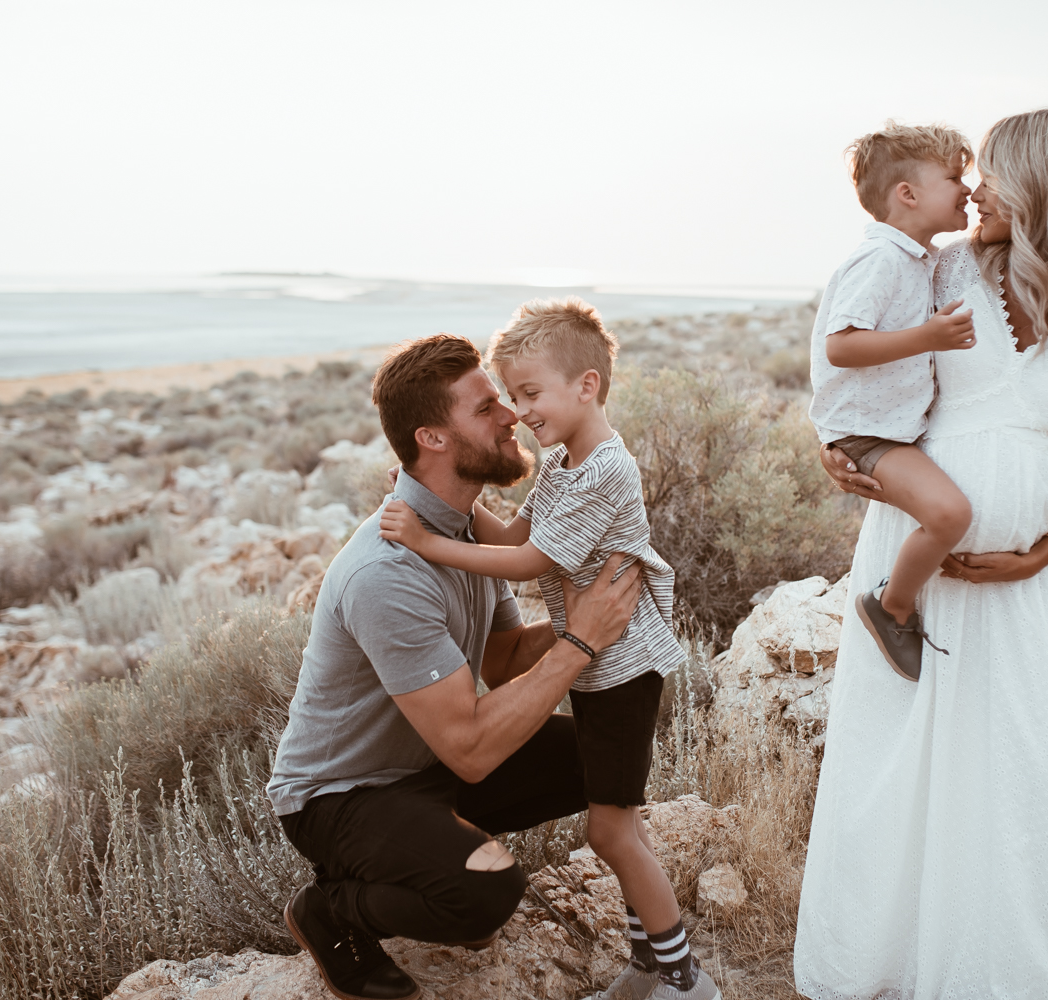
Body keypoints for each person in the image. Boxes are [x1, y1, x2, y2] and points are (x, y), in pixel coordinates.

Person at [794, 108, 1048, 999]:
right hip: (911, 557)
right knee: (891, 768)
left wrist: (1037, 555)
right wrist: (843, 443)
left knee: (1013, 778)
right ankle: (873, 968)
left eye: (995, 173)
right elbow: (863, 364)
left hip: (1021, 588)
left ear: (1047, 185)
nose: (976, 189)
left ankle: (994, 975)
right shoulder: (941, 266)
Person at [266, 332, 644, 1000]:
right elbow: (471, 749)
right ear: (433, 438)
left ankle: (433, 849)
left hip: (426, 768)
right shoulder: (388, 573)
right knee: (486, 893)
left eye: (505, 400)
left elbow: (500, 662)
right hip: (342, 797)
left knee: (606, 751)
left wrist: (592, 617)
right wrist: (579, 643)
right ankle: (333, 912)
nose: (510, 416)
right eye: (485, 407)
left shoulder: (462, 528)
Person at [379, 299, 717, 1000]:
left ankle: (685, 981)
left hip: (622, 668)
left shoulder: (605, 472)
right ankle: (649, 970)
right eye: (511, 396)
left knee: (611, 833)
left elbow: (531, 562)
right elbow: (508, 537)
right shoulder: (563, 463)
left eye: (530, 393)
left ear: (585, 386)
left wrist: (427, 541)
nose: (520, 411)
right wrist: (443, 503)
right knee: (619, 829)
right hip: (596, 669)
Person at [808, 121, 978, 681]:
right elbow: (841, 346)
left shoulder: (917, 258)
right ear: (907, 194)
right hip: (868, 432)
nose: (968, 190)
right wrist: (927, 336)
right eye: (955, 177)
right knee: (949, 513)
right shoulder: (880, 259)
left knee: (949, 512)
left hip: (889, 427)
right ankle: (892, 606)